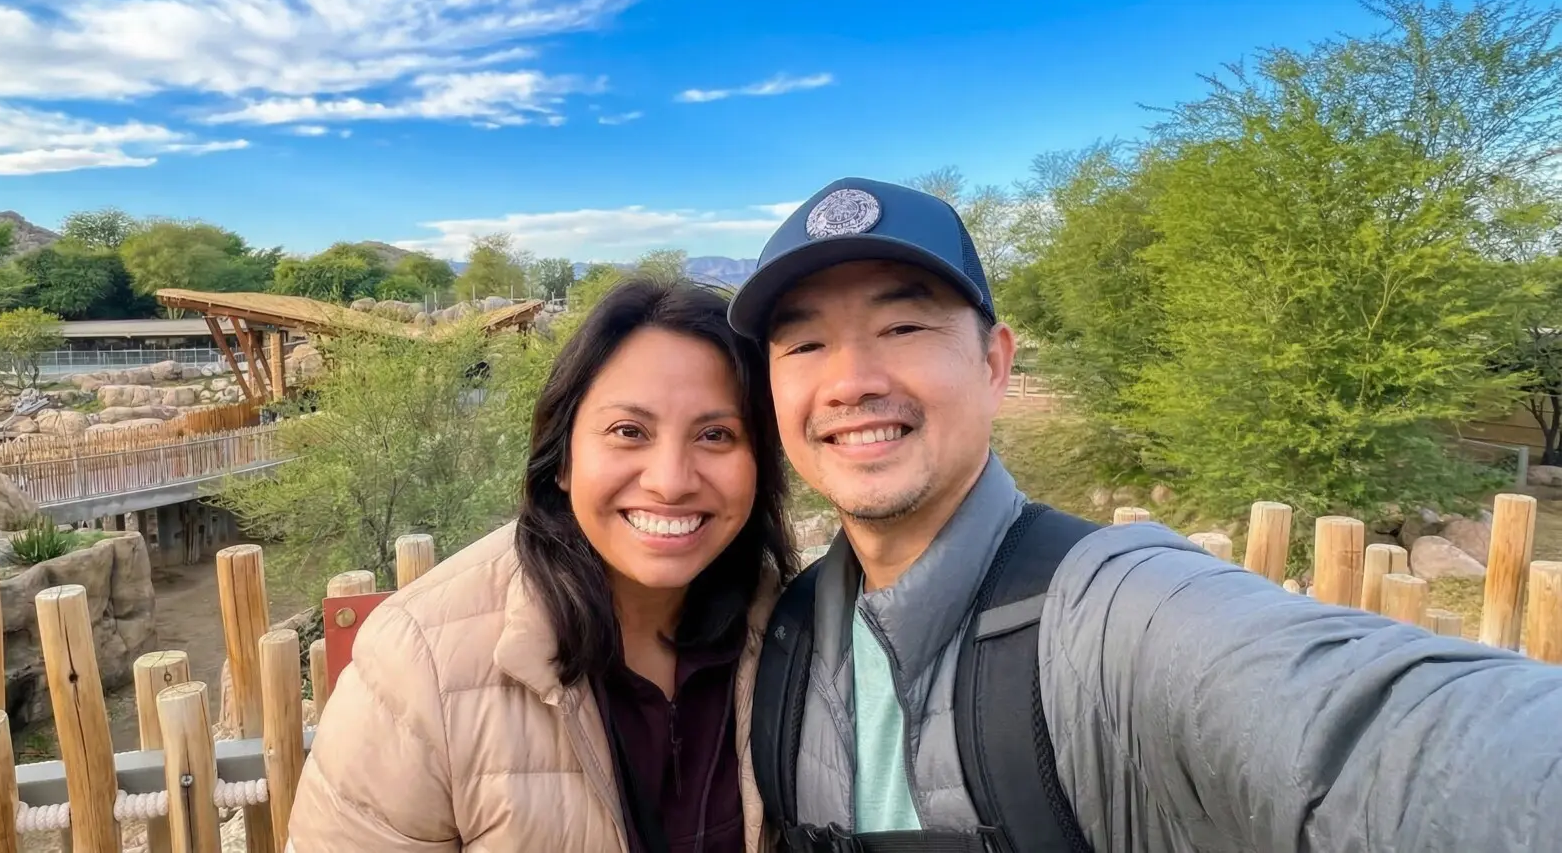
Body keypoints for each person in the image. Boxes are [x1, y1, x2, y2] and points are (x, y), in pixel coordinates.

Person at [727, 177, 1562, 853]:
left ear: (994, 362)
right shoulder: (785, 636)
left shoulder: (1119, 617)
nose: (849, 380)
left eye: (902, 323)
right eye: (804, 345)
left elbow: (1377, 732)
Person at [289, 277, 799, 852]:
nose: (671, 481)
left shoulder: (790, 628)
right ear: (562, 460)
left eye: (716, 434)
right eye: (629, 432)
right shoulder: (419, 666)